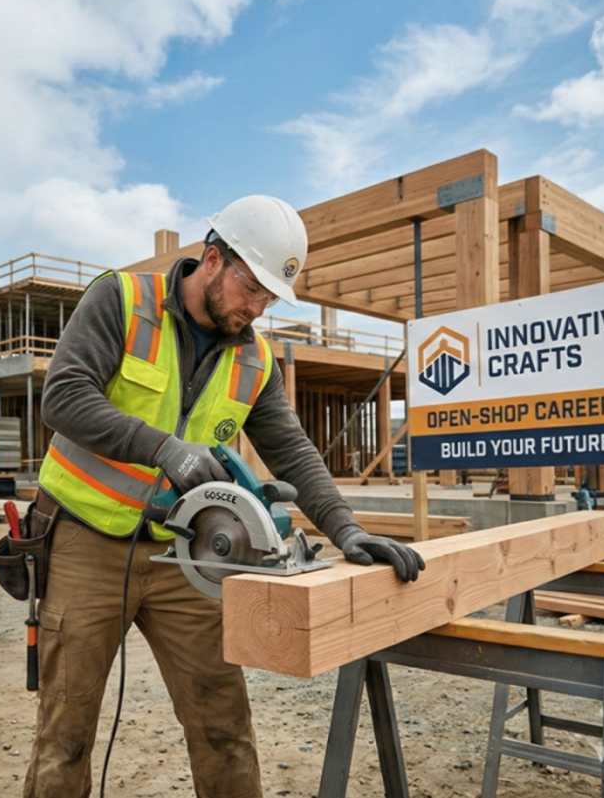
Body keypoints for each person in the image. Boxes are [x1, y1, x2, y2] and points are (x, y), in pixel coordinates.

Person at [24, 195, 425, 798]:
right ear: (213, 259)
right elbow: (64, 397)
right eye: (252, 288)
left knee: (225, 729)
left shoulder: (256, 357)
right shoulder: (121, 301)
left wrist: (345, 529)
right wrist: (164, 449)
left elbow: (292, 450)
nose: (258, 308)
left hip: (188, 556)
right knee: (66, 735)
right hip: (85, 542)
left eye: (269, 297)